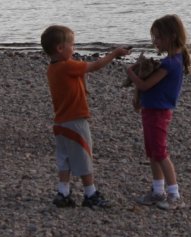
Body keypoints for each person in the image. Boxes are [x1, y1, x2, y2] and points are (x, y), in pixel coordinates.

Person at [41, 24, 129, 209]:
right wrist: (114, 54)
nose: (74, 49)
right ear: (60, 48)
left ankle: (63, 192)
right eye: (72, 45)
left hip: (60, 121)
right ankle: (90, 193)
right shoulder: (67, 66)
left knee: (64, 158)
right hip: (75, 121)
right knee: (83, 155)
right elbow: (95, 66)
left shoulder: (53, 69)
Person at [126, 14, 191, 210]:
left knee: (160, 152)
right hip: (152, 109)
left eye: (158, 38)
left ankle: (174, 194)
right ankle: (157, 191)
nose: (155, 42)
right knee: (152, 151)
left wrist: (131, 73)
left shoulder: (170, 64)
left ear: (171, 36)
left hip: (158, 111)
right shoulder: (173, 60)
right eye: (154, 38)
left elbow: (145, 85)